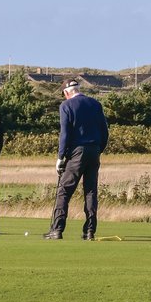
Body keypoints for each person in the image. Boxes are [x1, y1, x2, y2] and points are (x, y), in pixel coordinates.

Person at [44, 79, 109, 240]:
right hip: (94, 151)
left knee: (64, 190)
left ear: (67, 92)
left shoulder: (66, 106)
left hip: (77, 152)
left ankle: (57, 229)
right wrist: (98, 150)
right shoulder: (95, 104)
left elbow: (65, 134)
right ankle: (90, 231)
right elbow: (105, 132)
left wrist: (60, 157)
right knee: (90, 191)